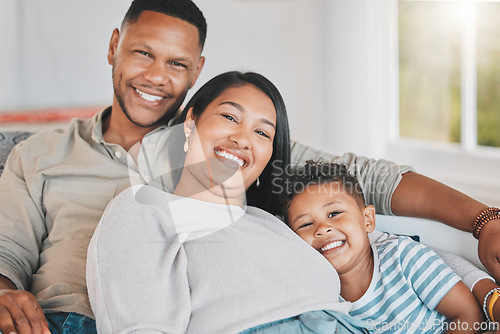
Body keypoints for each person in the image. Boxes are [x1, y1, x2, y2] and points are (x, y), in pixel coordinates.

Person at [0, 0, 498, 332]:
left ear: (196, 72)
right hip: (64, 319)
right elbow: (6, 253)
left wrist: (483, 220)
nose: (156, 76)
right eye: (142, 53)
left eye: (177, 64)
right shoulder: (40, 156)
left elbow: (363, 180)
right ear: (114, 48)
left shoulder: (233, 154)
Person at [87, 71, 368, 334]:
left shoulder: (278, 223)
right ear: (191, 122)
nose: (243, 139)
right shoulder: (145, 209)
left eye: (262, 133)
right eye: (230, 117)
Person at [281, 160, 489, 333]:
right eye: (306, 224)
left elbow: (469, 314)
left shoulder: (402, 256)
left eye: (334, 214)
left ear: (368, 220)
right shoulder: (322, 299)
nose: (322, 228)